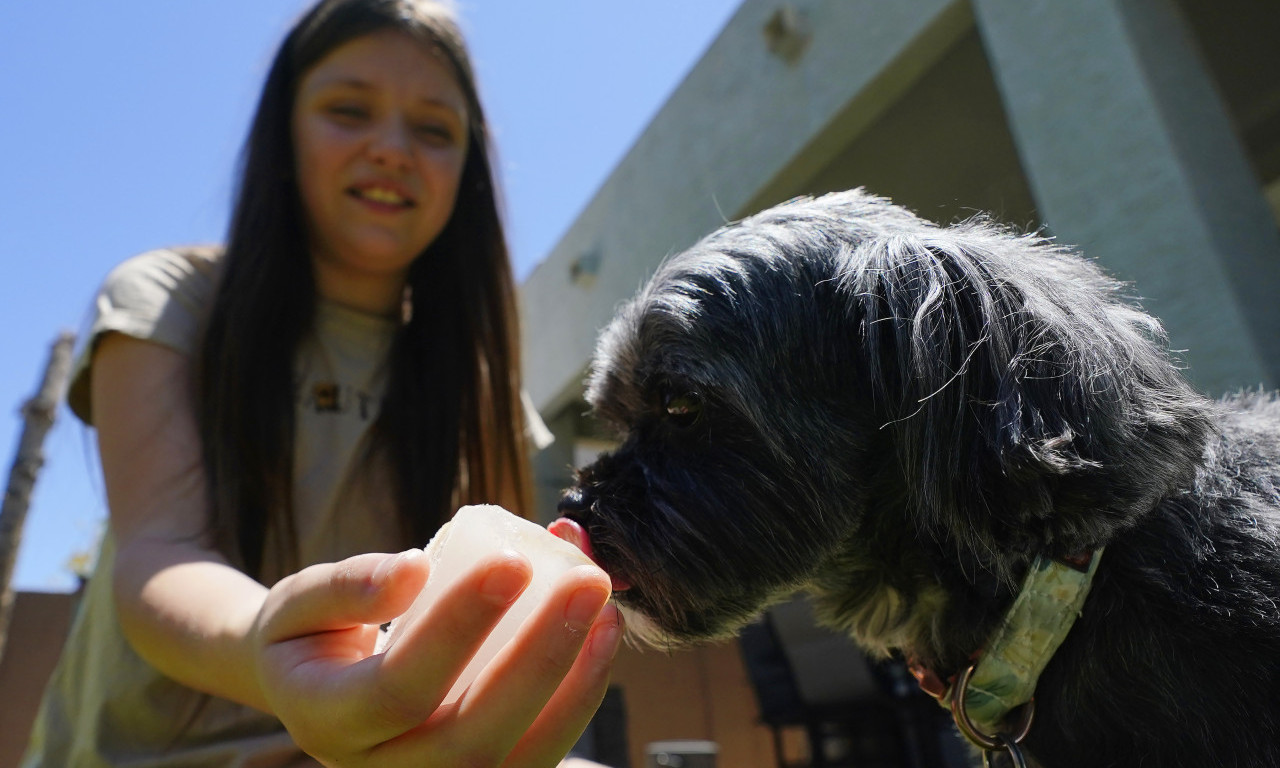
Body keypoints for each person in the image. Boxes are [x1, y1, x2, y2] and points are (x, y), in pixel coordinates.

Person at [20, 0, 623, 765]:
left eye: (435, 129)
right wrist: (275, 644)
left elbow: (496, 599)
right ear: (283, 133)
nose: (393, 148)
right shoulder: (170, 299)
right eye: (348, 110)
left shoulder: (480, 384)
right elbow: (160, 554)